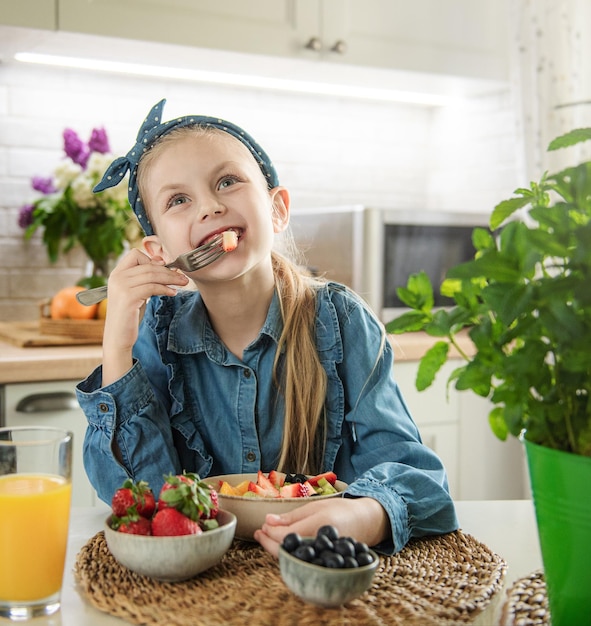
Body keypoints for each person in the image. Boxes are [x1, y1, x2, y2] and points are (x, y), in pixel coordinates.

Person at [76, 99, 459, 557]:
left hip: (319, 563)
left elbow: (419, 478)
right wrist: (116, 346)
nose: (211, 207)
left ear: (277, 209)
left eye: (227, 181)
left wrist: (362, 516)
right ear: (159, 251)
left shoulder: (341, 321)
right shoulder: (156, 337)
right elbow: (144, 501)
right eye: (179, 200)